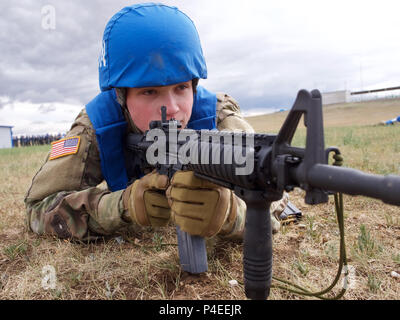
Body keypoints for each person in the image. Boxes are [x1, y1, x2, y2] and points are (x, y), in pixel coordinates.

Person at [24, 3, 288, 242]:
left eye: (182, 88)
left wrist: (231, 213)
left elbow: (275, 198)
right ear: (120, 94)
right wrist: (120, 207)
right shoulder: (98, 126)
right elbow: (38, 209)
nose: (172, 109)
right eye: (149, 91)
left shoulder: (216, 116)